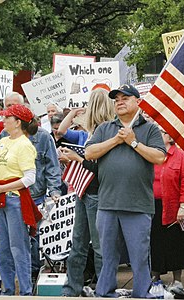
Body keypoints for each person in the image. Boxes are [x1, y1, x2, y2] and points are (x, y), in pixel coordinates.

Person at [85, 84, 166, 298]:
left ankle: (142, 293)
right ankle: (105, 292)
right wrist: (116, 140)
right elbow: (89, 152)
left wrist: (134, 142)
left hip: (138, 204)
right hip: (108, 203)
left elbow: (159, 157)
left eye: (125, 98)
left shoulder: (149, 129)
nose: (119, 101)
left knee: (139, 255)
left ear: (137, 102)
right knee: (107, 254)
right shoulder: (105, 128)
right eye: (116, 99)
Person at [0, 94, 63, 282]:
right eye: (6, 107)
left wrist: (55, 191)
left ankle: (31, 277)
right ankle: (14, 282)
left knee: (32, 239)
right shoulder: (3, 136)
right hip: (9, 197)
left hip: (35, 195)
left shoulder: (42, 136)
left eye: (12, 108)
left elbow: (52, 166)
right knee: (10, 242)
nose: (5, 116)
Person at [61, 88, 115, 297]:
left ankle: (102, 288)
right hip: (83, 192)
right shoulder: (89, 133)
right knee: (78, 245)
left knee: (98, 246)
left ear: (93, 106)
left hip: (97, 192)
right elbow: (62, 132)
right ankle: (72, 288)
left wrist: (77, 159)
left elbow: (102, 168)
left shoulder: (105, 133)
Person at [0, 104, 41, 296]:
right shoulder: (3, 141)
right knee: (2, 248)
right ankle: (8, 290)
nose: (3, 120)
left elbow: (30, 178)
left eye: (8, 117)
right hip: (0, 197)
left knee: (18, 248)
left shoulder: (25, 144)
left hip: (13, 198)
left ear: (18, 123)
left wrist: (1, 187)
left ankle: (24, 291)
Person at [150, 127, 184, 290]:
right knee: (154, 242)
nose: (157, 135)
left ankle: (177, 280)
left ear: (170, 137)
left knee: (176, 243)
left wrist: (183, 206)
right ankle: (154, 278)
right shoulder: (152, 154)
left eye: (161, 133)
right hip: (152, 205)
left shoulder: (182, 157)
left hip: (175, 206)